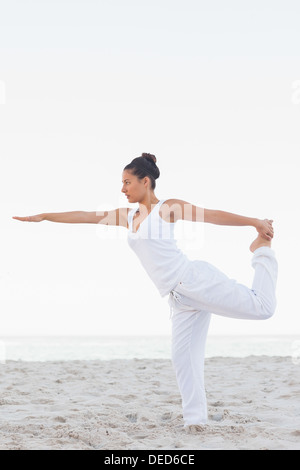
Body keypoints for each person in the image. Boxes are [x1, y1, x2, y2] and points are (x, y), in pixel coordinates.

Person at [12, 153, 278, 429]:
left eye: (127, 182)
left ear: (145, 181)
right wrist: (45, 217)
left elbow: (210, 216)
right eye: (122, 183)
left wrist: (254, 222)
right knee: (184, 360)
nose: (123, 188)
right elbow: (85, 216)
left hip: (193, 280)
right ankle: (195, 422)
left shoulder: (167, 208)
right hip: (179, 297)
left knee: (263, 308)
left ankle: (262, 252)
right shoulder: (129, 216)